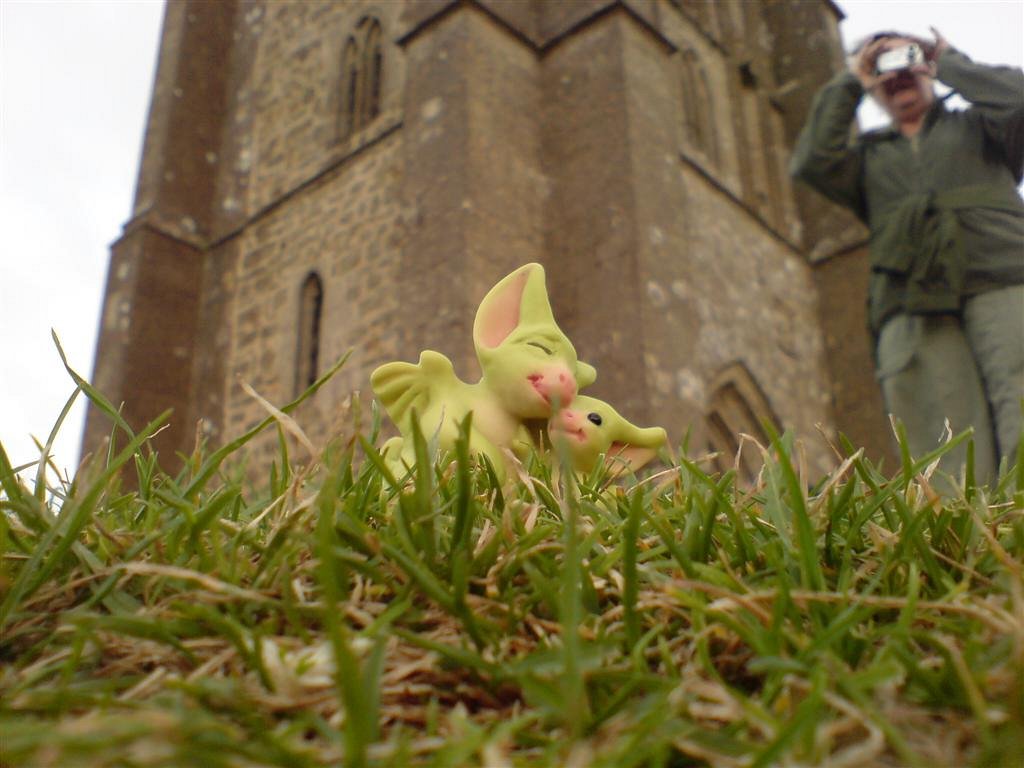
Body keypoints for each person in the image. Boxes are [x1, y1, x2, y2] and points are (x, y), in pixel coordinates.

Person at [790, 28, 1024, 487]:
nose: (897, 77)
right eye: (883, 71)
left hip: (1002, 272)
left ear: (927, 69)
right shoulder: (867, 158)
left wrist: (949, 60)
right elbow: (813, 161)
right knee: (941, 429)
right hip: (909, 294)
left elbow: (1018, 100)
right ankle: (964, 525)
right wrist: (853, 81)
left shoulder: (979, 126)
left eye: (907, 63)